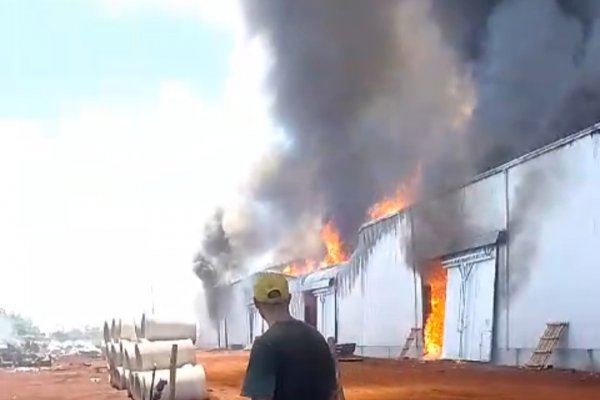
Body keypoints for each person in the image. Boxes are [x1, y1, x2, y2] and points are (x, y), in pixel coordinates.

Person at [241, 272, 337, 400]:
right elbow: (332, 393)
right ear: (289, 298)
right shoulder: (317, 338)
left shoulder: (265, 345)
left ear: (256, 303)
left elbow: (261, 397)